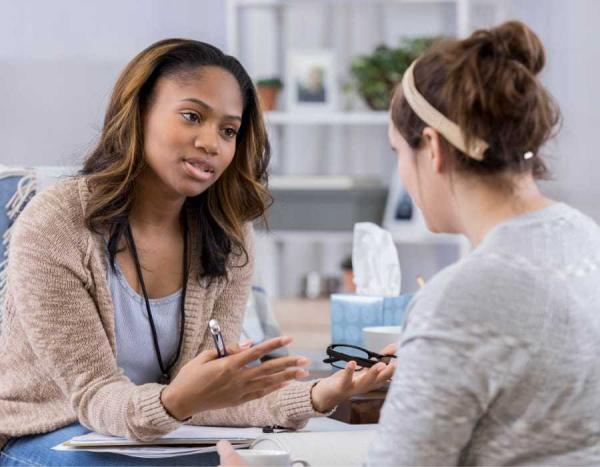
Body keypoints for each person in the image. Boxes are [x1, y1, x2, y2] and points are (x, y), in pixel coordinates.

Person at [219, 20, 600, 467]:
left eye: (398, 152)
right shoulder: (584, 237)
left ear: (433, 148)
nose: (402, 172)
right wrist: (435, 354)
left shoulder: (462, 294)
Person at [0, 39, 393, 466]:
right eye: (192, 116)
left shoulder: (228, 233)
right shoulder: (57, 223)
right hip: (48, 431)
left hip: (163, 432)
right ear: (139, 113)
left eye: (228, 130)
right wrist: (176, 401)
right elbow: (95, 396)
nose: (212, 143)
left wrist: (318, 394)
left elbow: (209, 397)